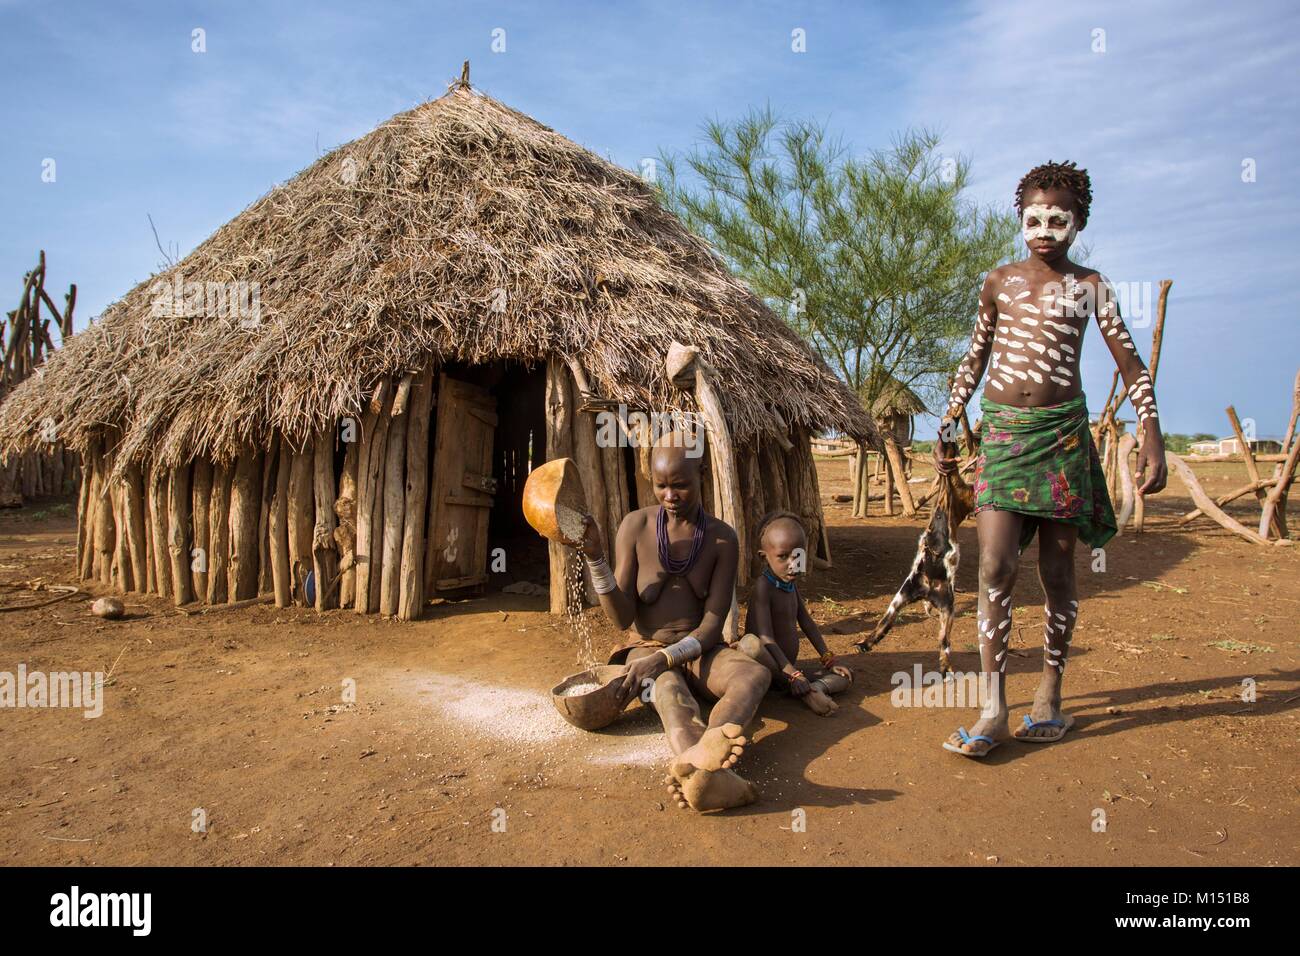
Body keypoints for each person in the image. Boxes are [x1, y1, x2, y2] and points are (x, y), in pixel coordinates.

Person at [935, 160, 1167, 757]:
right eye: (1033, 218)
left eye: (1057, 219)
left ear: (1078, 222)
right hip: (1004, 438)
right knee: (993, 568)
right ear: (1020, 220)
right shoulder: (998, 282)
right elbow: (975, 355)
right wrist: (949, 413)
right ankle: (993, 705)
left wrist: (1152, 430)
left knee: (1060, 573)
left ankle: (1051, 692)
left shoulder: (1091, 286)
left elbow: (1130, 361)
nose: (1044, 229)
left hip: (1063, 438)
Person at [577, 432, 771, 810]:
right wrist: (596, 559)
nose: (670, 496)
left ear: (701, 476)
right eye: (661, 486)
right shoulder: (635, 528)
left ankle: (705, 760)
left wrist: (667, 658)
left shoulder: (721, 539)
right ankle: (709, 776)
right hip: (645, 647)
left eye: (680, 485)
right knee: (669, 694)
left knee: (753, 675)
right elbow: (621, 618)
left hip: (701, 647)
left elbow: (712, 626)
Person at [736, 511, 852, 716]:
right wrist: (791, 673)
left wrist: (828, 659)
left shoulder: (789, 585)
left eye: (798, 555)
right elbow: (766, 638)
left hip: (789, 668)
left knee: (844, 676)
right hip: (769, 666)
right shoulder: (764, 587)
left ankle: (814, 689)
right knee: (750, 645)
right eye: (782, 557)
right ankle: (801, 688)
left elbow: (807, 623)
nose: (792, 564)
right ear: (764, 557)